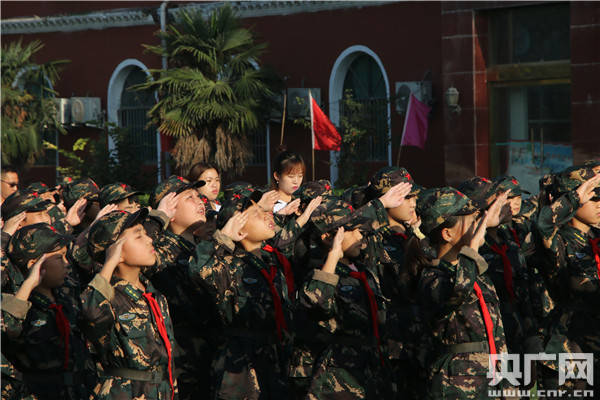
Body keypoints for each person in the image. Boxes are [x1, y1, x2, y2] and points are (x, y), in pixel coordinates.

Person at [188, 187, 294, 399]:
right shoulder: (227, 265)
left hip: (273, 359)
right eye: (258, 213)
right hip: (240, 369)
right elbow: (198, 270)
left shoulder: (271, 261)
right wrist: (224, 236)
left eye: (267, 211)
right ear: (239, 228)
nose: (267, 216)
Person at [414, 187, 511, 399]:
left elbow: (497, 334)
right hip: (457, 385)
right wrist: (472, 249)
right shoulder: (432, 277)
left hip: (494, 379)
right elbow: (458, 291)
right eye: (470, 221)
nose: (477, 227)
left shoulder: (478, 274)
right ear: (447, 233)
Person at [82, 208, 178, 400]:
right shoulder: (106, 296)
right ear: (116, 251)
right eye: (138, 236)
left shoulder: (153, 294)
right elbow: (91, 314)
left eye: (145, 233)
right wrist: (110, 262)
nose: (149, 239)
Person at [3, 223, 94, 400]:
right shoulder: (19, 305)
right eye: (59, 258)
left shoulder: (66, 297)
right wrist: (30, 283)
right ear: (34, 264)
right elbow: (7, 333)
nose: (67, 264)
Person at [535, 166, 600, 389]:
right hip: (571, 349)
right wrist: (574, 198)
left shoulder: (595, 239)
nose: (599, 205)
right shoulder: (559, 241)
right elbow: (543, 225)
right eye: (593, 198)